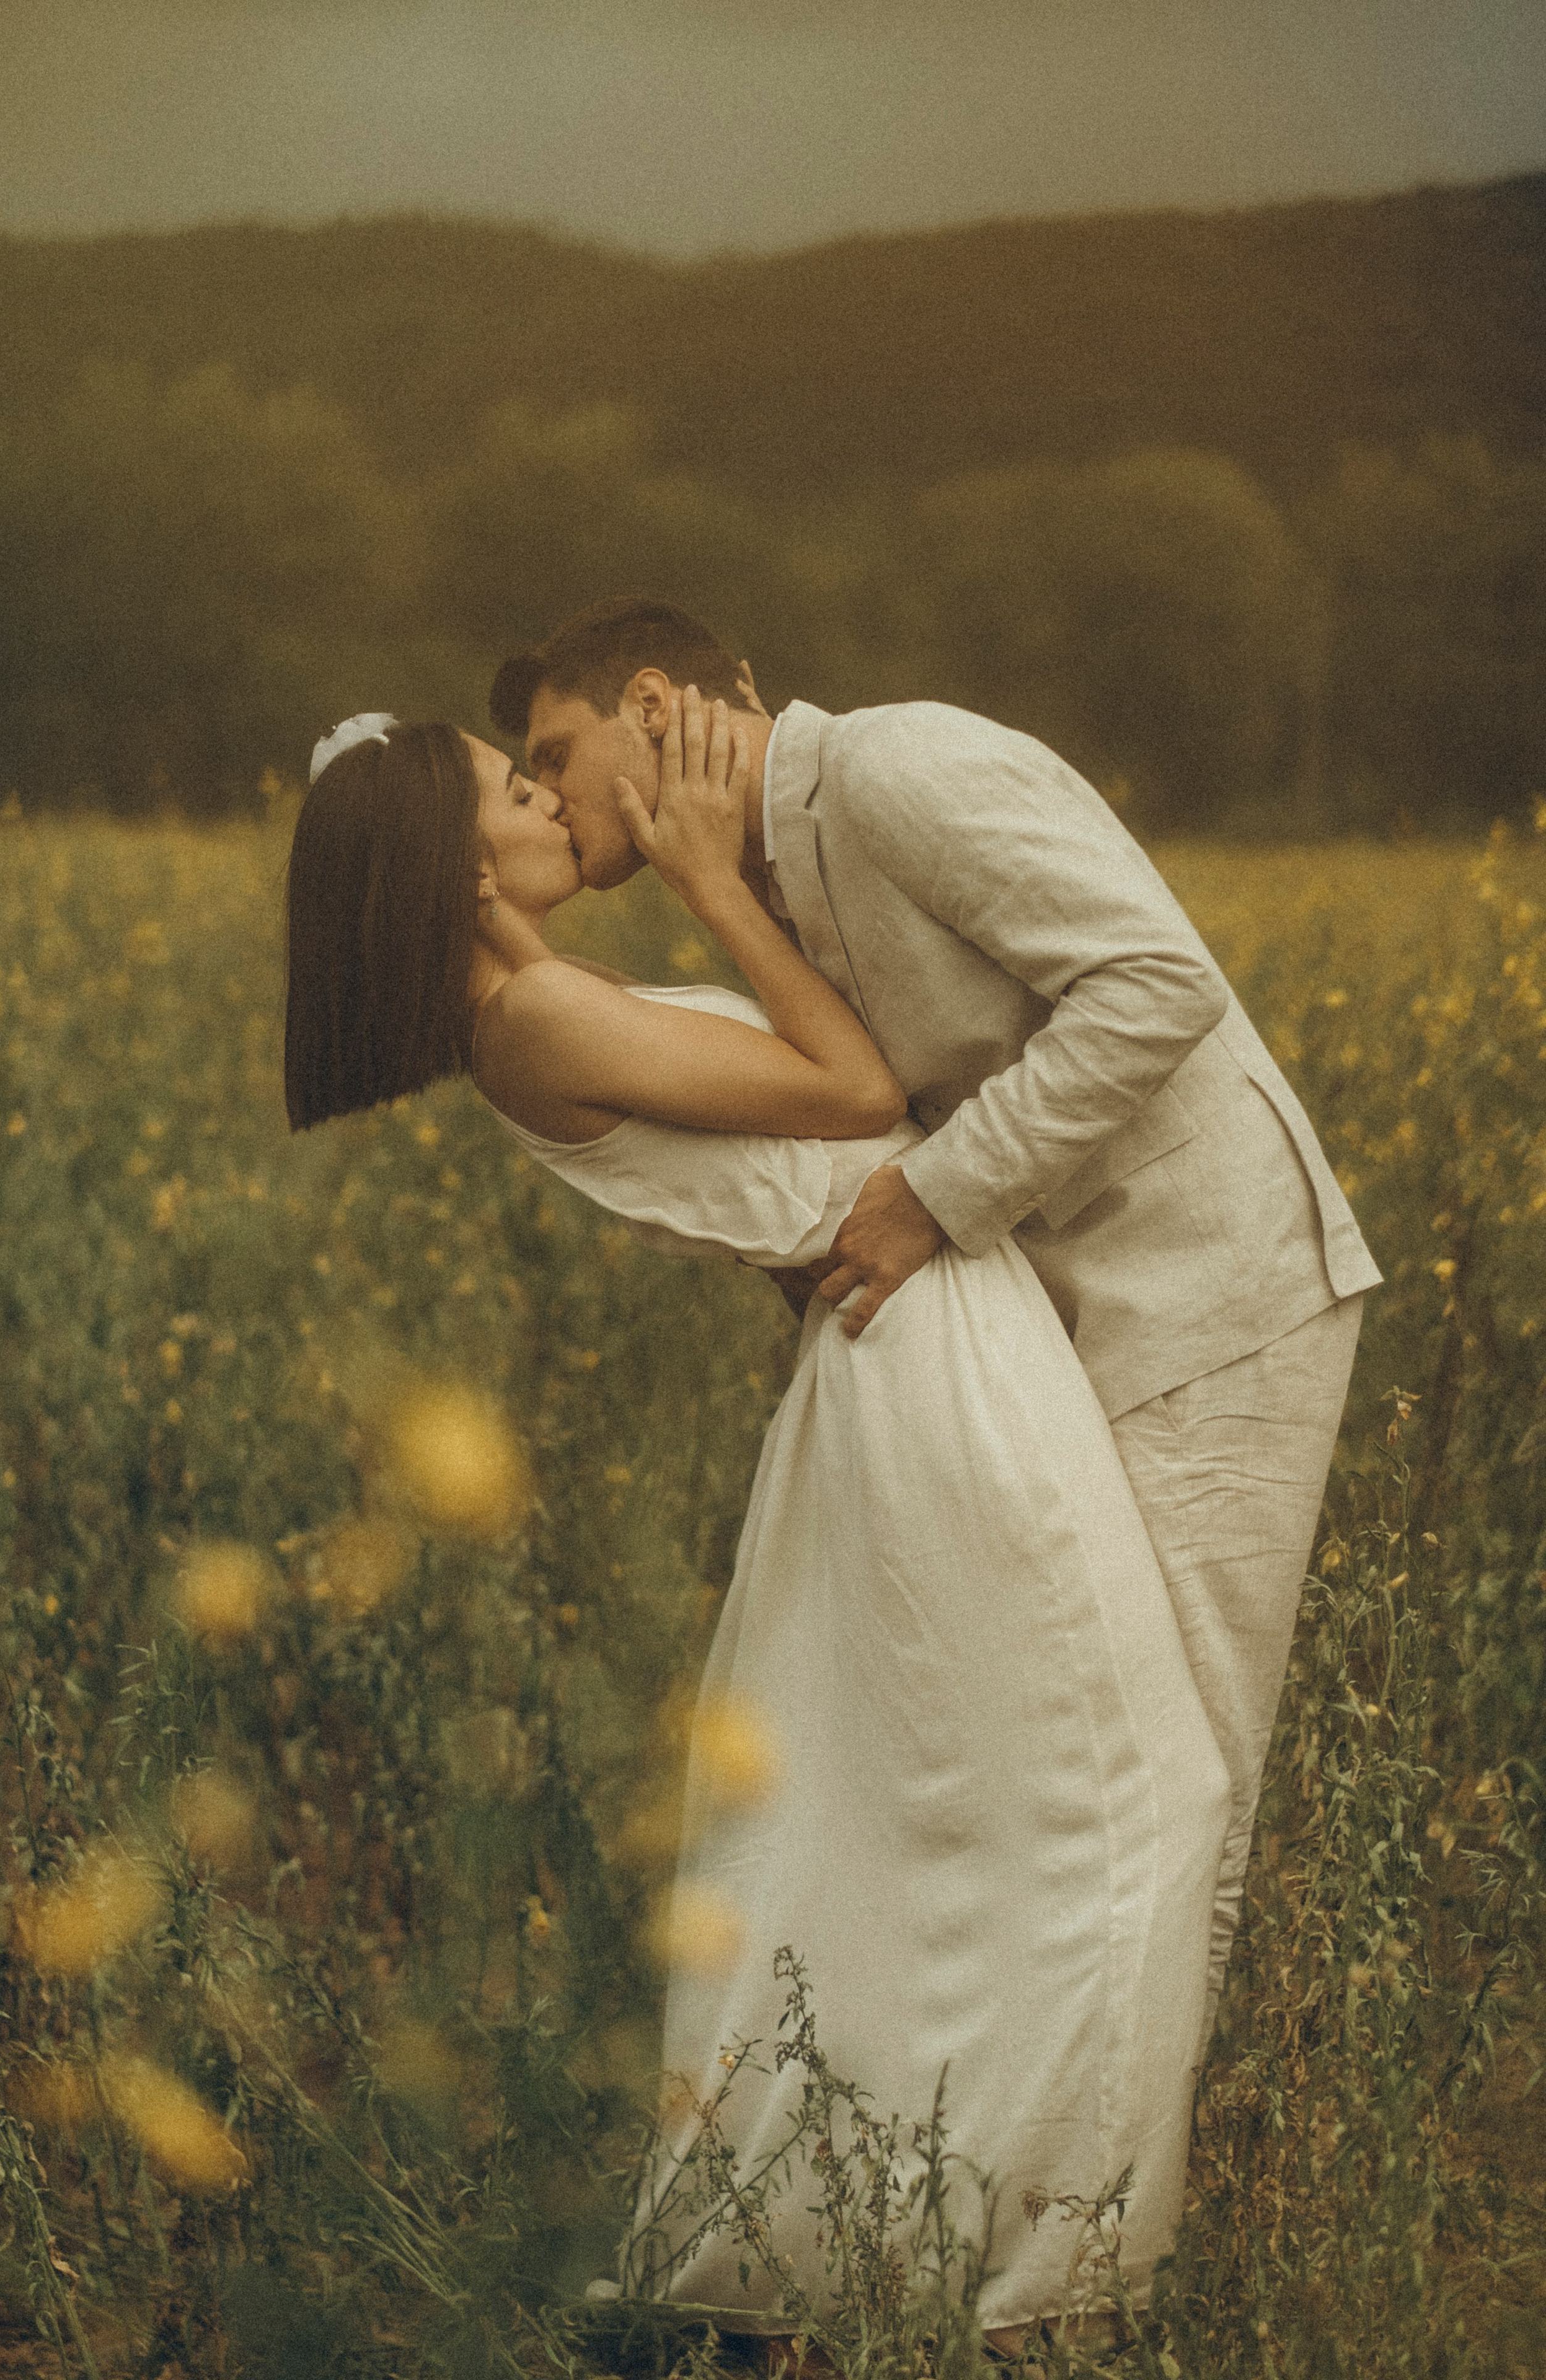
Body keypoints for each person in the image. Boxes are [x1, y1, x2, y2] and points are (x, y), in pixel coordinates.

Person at [283, 696, 1233, 2353]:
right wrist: (714, 879)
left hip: (923, 1336)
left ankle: (965, 2231)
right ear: (461, 853)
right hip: (928, 1359)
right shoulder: (538, 1023)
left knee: (1007, 1801)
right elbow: (854, 1086)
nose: (556, 805)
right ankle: (1023, 2263)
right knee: (1111, 1793)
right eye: (521, 788)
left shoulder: (543, 1004)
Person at [488, 600, 1382, 2063]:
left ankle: (1109, 2257)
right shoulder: (754, 872)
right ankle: (1030, 2194)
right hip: (1046, 1326)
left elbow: (1158, 986)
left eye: (555, 752)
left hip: (1209, 1294)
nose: (545, 796)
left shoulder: (898, 769)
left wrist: (928, 1200)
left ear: (651, 705)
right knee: (1069, 1764)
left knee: (1175, 1779)